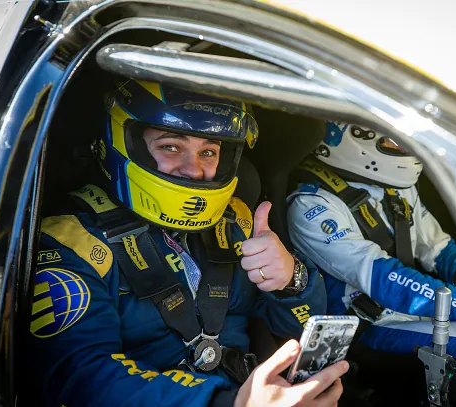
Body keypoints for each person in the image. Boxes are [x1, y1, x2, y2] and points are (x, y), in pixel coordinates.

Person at [27, 78, 348, 407]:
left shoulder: (237, 220)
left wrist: (292, 280)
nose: (194, 170)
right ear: (126, 144)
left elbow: (297, 329)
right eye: (171, 146)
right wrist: (229, 403)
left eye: (208, 151)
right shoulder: (71, 243)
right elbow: (81, 375)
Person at [286, 122, 456, 407]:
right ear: (353, 138)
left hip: (410, 309)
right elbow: (383, 278)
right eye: (393, 142)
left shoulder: (397, 189)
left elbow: (440, 251)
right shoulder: (312, 205)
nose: (406, 147)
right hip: (370, 324)